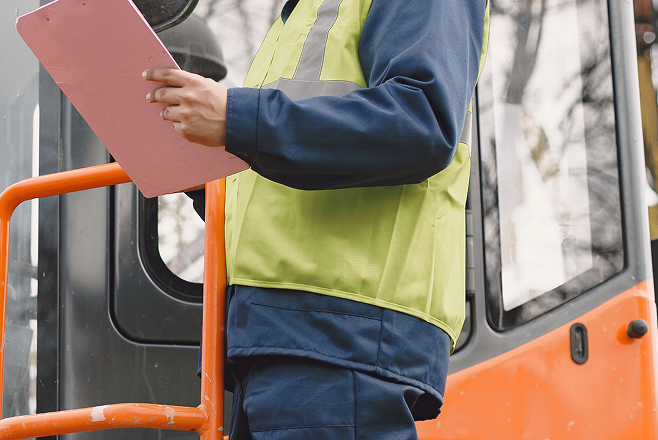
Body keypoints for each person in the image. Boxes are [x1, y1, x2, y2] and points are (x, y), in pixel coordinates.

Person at [142, 0, 488, 437]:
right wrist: (191, 171)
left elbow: (421, 120)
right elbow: (278, 176)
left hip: (344, 329)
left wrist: (235, 117)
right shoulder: (301, 16)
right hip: (275, 333)